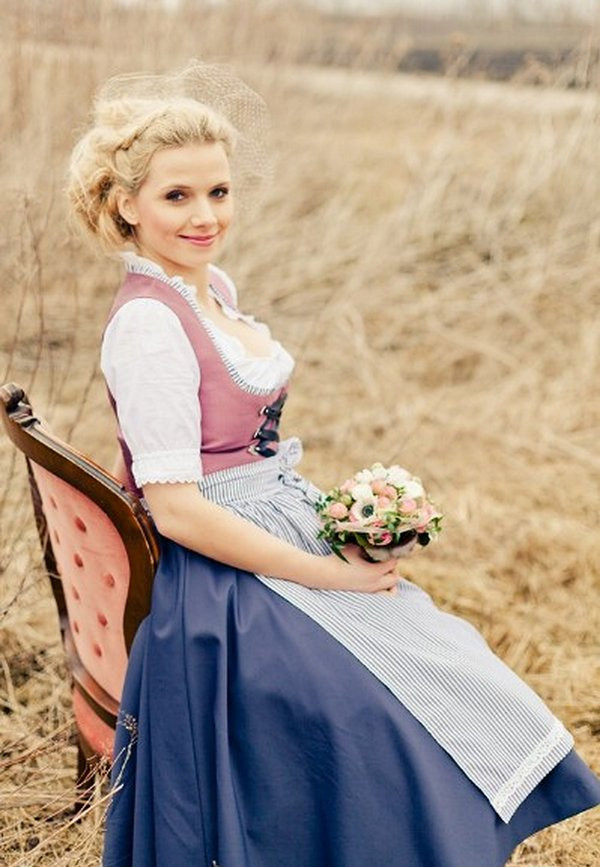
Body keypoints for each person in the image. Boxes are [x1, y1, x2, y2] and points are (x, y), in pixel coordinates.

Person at [67, 61, 600, 867]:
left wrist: (348, 520)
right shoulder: (148, 327)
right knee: (384, 707)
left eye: (219, 191)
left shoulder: (208, 289)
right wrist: (326, 575)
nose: (205, 215)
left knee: (443, 656)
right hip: (215, 586)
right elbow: (176, 508)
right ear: (125, 205)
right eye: (177, 196)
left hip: (264, 523)